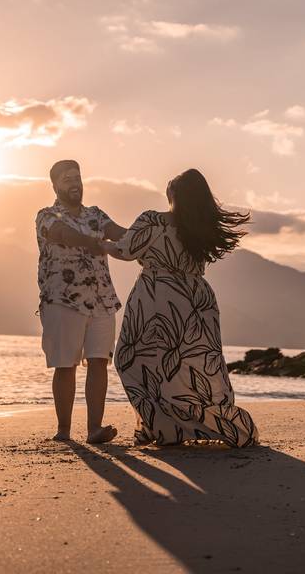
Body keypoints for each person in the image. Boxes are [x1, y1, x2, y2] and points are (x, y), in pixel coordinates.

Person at [102, 169, 259, 447]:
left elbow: (124, 251)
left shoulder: (153, 219)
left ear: (172, 195)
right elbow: (146, 242)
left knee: (130, 359)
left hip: (158, 298)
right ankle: (215, 424)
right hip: (197, 301)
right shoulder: (198, 228)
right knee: (191, 369)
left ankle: (162, 427)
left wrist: (97, 242)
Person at [35, 159, 126, 444]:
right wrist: (98, 244)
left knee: (99, 362)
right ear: (55, 185)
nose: (74, 183)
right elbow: (65, 235)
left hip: (101, 299)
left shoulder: (96, 215)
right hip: (63, 299)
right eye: (67, 179)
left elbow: (122, 235)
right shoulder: (47, 216)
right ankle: (63, 430)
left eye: (77, 177)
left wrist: (150, 238)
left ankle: (94, 429)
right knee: (66, 364)